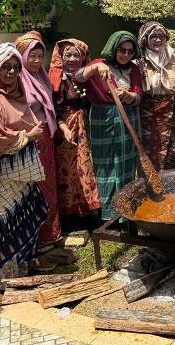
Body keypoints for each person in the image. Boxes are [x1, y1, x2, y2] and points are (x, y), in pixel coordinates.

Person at [0, 44, 49, 306]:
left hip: (22, 170)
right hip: (0, 172)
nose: (11, 71)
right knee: (2, 223)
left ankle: (20, 268)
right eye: (5, 66)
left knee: (24, 214)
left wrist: (28, 134)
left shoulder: (17, 92)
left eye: (15, 67)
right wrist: (28, 136)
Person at [75, 31, 142, 220]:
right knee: (104, 162)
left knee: (125, 162)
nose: (126, 55)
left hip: (126, 117)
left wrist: (128, 96)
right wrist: (95, 68)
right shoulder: (98, 63)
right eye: (122, 50)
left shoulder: (134, 70)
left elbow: (138, 96)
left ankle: (125, 210)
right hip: (101, 117)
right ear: (113, 48)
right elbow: (78, 76)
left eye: (130, 52)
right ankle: (109, 213)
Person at [14, 31, 61, 252]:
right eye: (31, 56)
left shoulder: (42, 76)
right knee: (36, 188)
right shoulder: (16, 80)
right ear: (22, 56)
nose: (36, 61)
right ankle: (36, 237)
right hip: (29, 141)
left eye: (40, 56)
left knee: (48, 185)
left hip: (45, 138)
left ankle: (51, 233)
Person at [48, 38, 101, 229]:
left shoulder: (86, 78)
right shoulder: (56, 79)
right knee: (68, 172)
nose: (72, 59)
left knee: (87, 169)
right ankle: (69, 215)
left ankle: (89, 212)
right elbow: (53, 109)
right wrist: (63, 127)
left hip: (86, 127)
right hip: (66, 131)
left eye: (76, 55)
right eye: (67, 55)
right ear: (60, 58)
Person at [137, 21, 175, 169]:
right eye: (153, 36)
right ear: (145, 39)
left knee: (173, 149)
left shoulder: (172, 57)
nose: (158, 40)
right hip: (148, 113)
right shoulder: (139, 59)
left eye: (162, 36)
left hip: (171, 112)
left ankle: (169, 180)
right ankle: (152, 181)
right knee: (150, 149)